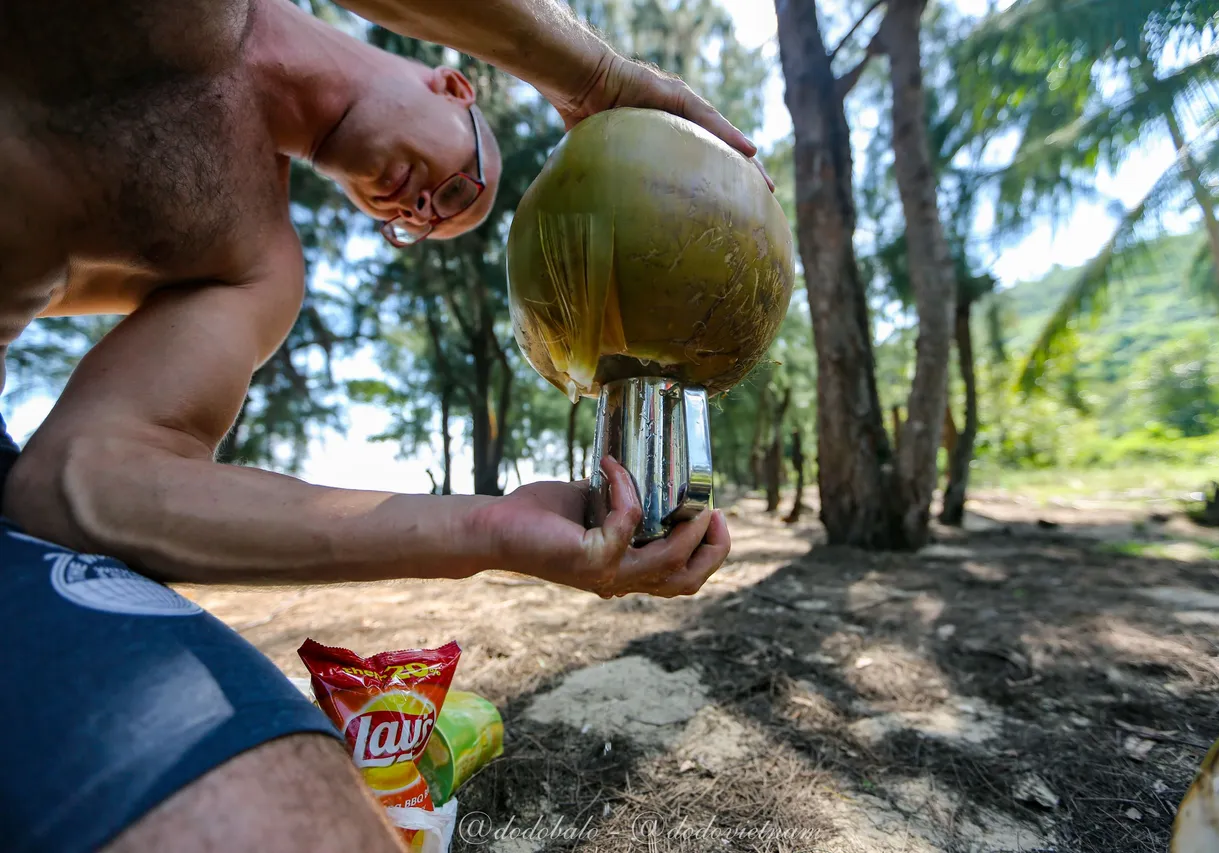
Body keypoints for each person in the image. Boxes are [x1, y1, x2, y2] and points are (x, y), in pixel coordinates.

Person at [0, 0, 764, 850]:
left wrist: (488, 528)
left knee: (296, 822)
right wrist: (593, 75)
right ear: (452, 86)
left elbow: (75, 484)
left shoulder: (254, 264)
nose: (423, 209)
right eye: (459, 187)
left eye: (426, 223)